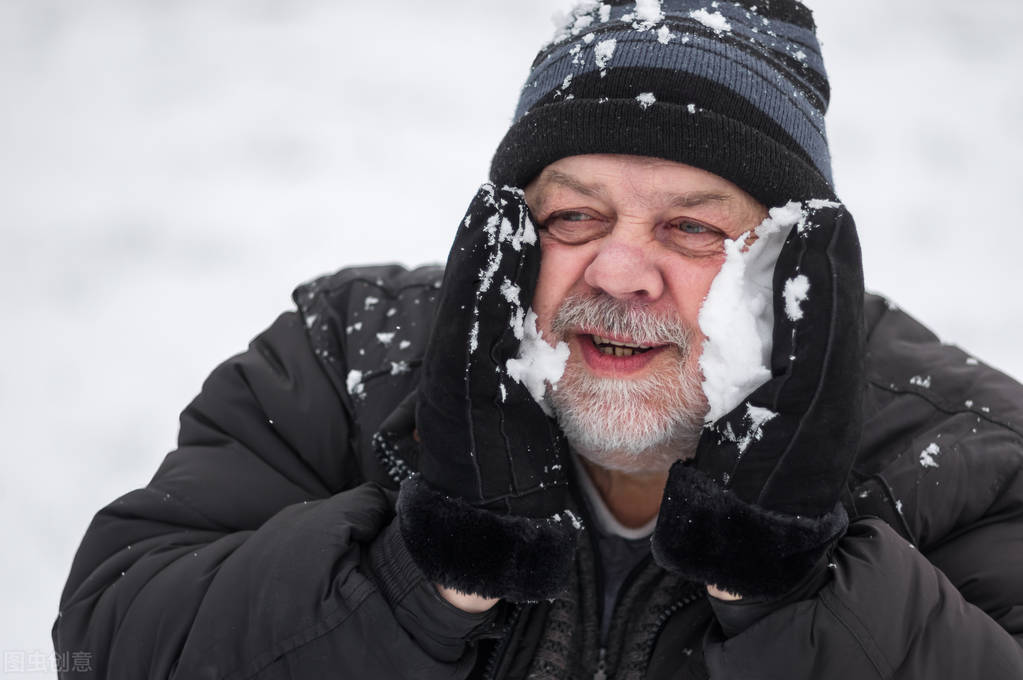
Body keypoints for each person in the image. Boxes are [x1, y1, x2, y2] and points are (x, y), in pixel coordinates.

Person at [54, 1, 1023, 678]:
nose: (618, 270)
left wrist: (786, 586)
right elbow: (111, 643)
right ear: (507, 232)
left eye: (692, 227)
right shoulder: (343, 358)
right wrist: (431, 563)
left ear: (787, 256)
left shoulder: (967, 450)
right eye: (573, 217)